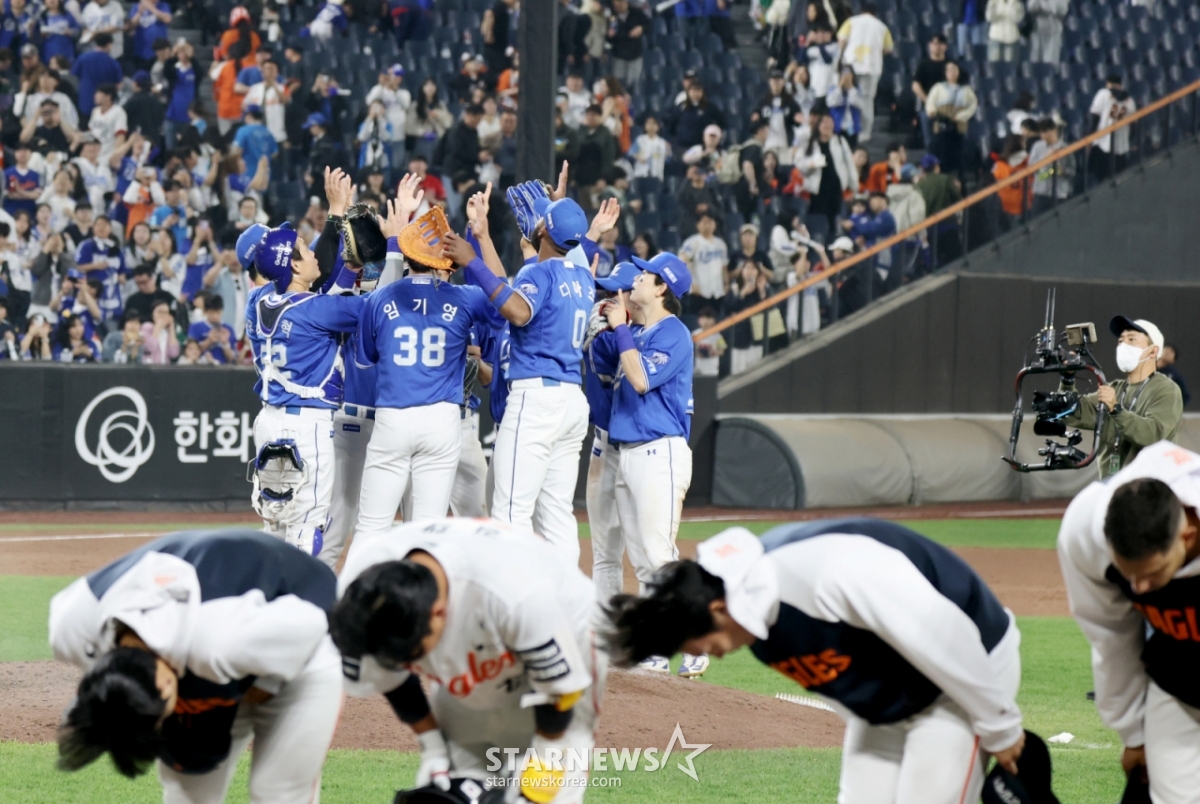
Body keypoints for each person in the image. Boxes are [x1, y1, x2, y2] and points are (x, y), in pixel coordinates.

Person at [602, 518, 1026, 802]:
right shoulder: (756, 625)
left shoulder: (826, 573)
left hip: (966, 669)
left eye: (701, 645)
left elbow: (946, 636)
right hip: (893, 688)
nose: (708, 654)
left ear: (717, 609)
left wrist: (999, 725)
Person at [49, 529, 343, 802]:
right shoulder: (73, 630)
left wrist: (264, 684)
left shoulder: (219, 641)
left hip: (306, 626)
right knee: (186, 792)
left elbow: (319, 622)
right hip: (226, 638)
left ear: (165, 684)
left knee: (276, 790)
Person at [330, 517, 605, 803]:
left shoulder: (518, 596)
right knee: (457, 784)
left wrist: (538, 786)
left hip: (566, 633)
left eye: (413, 658)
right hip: (482, 619)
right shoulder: (363, 592)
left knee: (550, 791)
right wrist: (433, 745)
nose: (408, 668)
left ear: (439, 614)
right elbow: (388, 675)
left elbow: (560, 695)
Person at [456, 186, 605, 561]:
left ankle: (513, 594)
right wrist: (483, 238)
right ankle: (564, 591)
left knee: (510, 513)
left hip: (537, 399)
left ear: (542, 230)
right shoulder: (582, 276)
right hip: (570, 399)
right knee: (556, 515)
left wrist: (471, 260)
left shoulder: (538, 274)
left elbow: (518, 311)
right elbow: (514, 285)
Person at [1057, 443, 1200, 804]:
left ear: (1188, 537)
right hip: (1179, 682)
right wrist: (1133, 733)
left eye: (1151, 574)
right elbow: (1111, 636)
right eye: (1129, 574)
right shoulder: (1086, 531)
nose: (1139, 589)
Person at [352, 201, 502, 544]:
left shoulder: (379, 298)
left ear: (407, 255)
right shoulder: (465, 297)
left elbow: (368, 357)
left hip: (392, 416)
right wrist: (478, 249)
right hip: (441, 419)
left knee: (371, 526)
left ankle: (359, 579)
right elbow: (503, 300)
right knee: (427, 530)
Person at [245, 175, 364, 558]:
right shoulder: (315, 309)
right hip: (306, 426)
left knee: (276, 524)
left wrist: (336, 217)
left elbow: (315, 283)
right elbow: (371, 309)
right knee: (306, 527)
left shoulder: (258, 300)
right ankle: (299, 595)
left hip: (269, 422)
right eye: (303, 249)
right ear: (293, 267)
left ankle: (266, 592)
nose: (313, 252)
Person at [591, 253, 698, 675]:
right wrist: (605, 325)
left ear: (662, 288)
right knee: (641, 559)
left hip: (660, 451)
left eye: (645, 275)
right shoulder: (636, 330)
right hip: (628, 452)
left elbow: (639, 379)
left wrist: (619, 327)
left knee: (658, 553)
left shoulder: (674, 333)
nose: (636, 278)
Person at [1059, 317, 1183, 479]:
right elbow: (1072, 412)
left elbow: (1153, 435)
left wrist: (1116, 409)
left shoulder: (1166, 389)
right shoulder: (1115, 389)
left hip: (1150, 488)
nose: (1124, 346)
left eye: (1132, 339)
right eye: (1120, 341)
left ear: (1153, 351)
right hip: (1112, 485)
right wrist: (1067, 379)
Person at [836, 3, 892, 142]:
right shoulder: (882, 27)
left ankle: (844, 128)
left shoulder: (851, 21)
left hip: (850, 65)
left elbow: (841, 41)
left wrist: (839, 61)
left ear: (861, 11)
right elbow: (888, 49)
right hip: (871, 67)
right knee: (867, 101)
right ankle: (865, 133)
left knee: (846, 96)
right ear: (875, 14)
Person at [925, 61, 978, 176]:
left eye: (954, 70)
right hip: (941, 126)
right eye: (949, 70)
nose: (952, 72)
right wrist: (932, 111)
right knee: (941, 153)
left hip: (958, 127)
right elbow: (930, 102)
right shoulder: (938, 87)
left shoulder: (966, 90)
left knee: (957, 156)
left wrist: (961, 116)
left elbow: (972, 106)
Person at [679, 210, 728, 313]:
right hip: (699, 292)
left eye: (710, 222)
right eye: (704, 222)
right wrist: (691, 284)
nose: (707, 225)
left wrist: (726, 283)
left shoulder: (720, 244)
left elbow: (724, 267)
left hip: (717, 292)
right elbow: (681, 262)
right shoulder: (693, 242)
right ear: (698, 225)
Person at [70, 31, 121, 122]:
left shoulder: (83, 58)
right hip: (105, 105)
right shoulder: (112, 62)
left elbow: (73, 75)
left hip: (85, 101)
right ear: (109, 45)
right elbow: (119, 84)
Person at [1029, 117, 1073, 215]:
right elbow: (1031, 168)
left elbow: (1072, 171)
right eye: (1041, 133)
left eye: (1046, 132)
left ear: (1055, 130)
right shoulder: (1037, 146)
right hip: (1041, 192)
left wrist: (1062, 171)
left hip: (1059, 193)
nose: (1044, 135)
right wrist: (1046, 158)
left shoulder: (1065, 148)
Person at [911, 33, 949, 148]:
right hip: (928, 108)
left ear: (945, 46)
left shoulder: (950, 65)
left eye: (940, 44)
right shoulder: (923, 64)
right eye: (934, 43)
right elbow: (915, 85)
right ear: (929, 45)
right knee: (930, 141)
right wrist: (927, 100)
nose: (937, 46)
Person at [607, 0, 649, 89]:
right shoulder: (611, 15)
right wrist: (609, 36)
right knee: (618, 86)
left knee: (634, 85)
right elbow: (608, 40)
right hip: (618, 56)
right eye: (615, 4)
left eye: (619, 3)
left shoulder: (636, 12)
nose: (617, 6)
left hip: (635, 56)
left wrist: (641, 28)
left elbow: (649, 25)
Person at [1026, 0, 1067, 64]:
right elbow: (1030, 7)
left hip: (1054, 30)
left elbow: (1063, 9)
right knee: (1036, 58)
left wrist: (1051, 5)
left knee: (1051, 60)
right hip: (1038, 29)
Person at [140, 297, 179, 363]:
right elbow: (149, 349)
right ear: (152, 314)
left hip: (165, 367)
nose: (162, 315)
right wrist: (158, 327)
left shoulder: (167, 332)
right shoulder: (146, 327)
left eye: (165, 312)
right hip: (149, 367)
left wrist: (171, 328)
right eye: (159, 312)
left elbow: (174, 354)